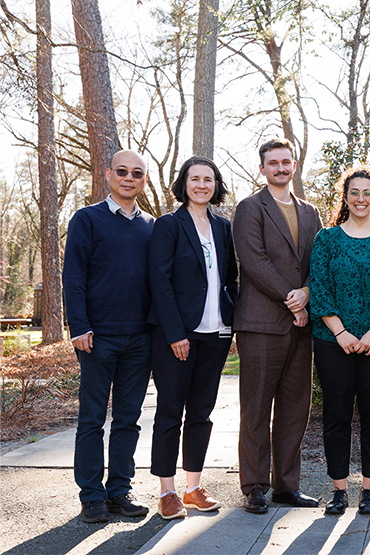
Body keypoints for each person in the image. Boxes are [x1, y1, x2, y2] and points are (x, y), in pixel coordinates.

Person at [62, 150, 155, 523]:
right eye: (122, 171)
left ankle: (119, 490)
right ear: (108, 175)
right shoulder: (87, 219)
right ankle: (91, 496)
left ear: (143, 179)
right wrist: (79, 325)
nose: (128, 177)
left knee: (129, 419)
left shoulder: (152, 225)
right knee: (92, 419)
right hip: (97, 338)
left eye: (136, 173)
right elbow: (74, 277)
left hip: (141, 339)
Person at [232, 138, 323, 514]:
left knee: (294, 408)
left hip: (301, 327)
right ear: (262, 168)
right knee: (255, 408)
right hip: (261, 324)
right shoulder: (250, 208)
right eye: (273, 163)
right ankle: (254, 485)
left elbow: (320, 262)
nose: (280, 168)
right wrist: (293, 298)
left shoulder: (310, 212)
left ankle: (287, 486)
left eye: (286, 162)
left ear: (294, 165)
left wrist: (306, 294)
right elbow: (254, 262)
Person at [311, 166, 370, 515]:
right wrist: (341, 332)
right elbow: (319, 292)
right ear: (345, 197)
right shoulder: (327, 239)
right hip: (331, 340)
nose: (361, 199)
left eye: (367, 192)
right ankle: (339, 490)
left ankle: (368, 489)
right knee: (336, 414)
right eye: (354, 192)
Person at [147, 157, 238, 519]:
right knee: (170, 412)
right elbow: (159, 282)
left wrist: (229, 324)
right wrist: (175, 334)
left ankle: (193, 487)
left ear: (216, 185)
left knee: (201, 412)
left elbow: (230, 279)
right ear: (183, 182)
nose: (202, 185)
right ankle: (167, 492)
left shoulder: (223, 227)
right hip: (177, 338)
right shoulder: (168, 225)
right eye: (195, 178)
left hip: (215, 336)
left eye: (209, 179)